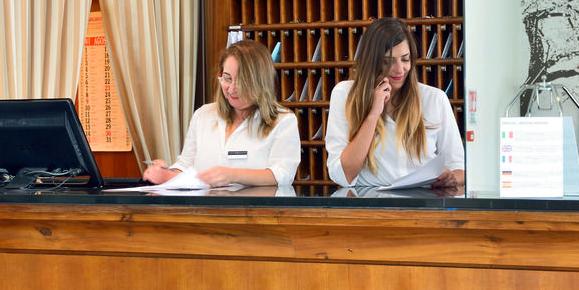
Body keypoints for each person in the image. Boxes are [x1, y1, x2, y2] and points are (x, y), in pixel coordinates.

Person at [325, 17, 465, 189]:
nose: (399, 69)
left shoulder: (435, 98)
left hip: (422, 200)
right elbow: (343, 175)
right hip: (368, 201)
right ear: (372, 62)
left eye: (405, 59)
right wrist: (373, 114)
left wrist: (451, 178)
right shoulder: (345, 94)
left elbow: (459, 169)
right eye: (388, 61)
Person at [143, 39, 301, 187]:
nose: (232, 89)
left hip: (254, 208)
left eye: (242, 82)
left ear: (260, 82)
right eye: (227, 79)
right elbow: (185, 166)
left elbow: (283, 174)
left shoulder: (283, 121)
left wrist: (233, 175)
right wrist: (165, 173)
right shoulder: (203, 115)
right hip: (205, 207)